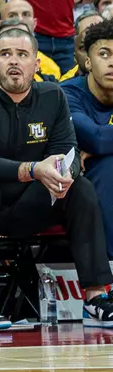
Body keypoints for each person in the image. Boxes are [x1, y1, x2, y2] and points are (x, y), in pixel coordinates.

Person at [0, 26, 113, 328]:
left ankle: (95, 297)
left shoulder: (52, 96)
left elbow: (69, 152)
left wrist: (65, 173)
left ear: (36, 64)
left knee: (80, 188)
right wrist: (34, 169)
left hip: (30, 204)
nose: (14, 61)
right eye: (6, 54)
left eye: (22, 55)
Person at [62, 18, 113, 256]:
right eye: (104, 54)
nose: (112, 62)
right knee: (106, 164)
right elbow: (95, 139)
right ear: (88, 62)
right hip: (76, 186)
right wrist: (100, 146)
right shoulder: (68, 93)